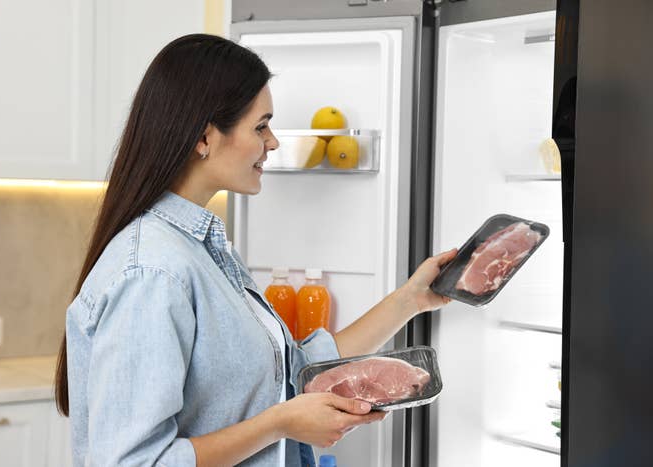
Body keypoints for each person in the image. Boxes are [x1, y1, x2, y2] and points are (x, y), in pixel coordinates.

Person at [53, 33, 457, 467]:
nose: (274, 142)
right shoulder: (152, 271)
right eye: (261, 126)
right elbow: (135, 463)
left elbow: (296, 370)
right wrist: (279, 424)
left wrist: (410, 300)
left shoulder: (202, 249)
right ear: (205, 137)